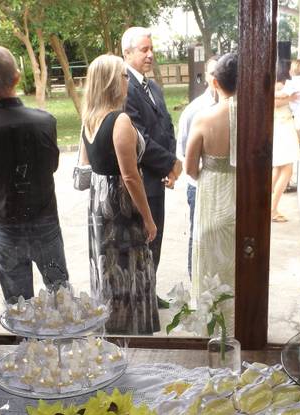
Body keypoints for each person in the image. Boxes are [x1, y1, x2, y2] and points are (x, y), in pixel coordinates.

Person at [0, 46, 69, 303]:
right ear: (17, 77)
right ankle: (66, 342)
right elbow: (51, 166)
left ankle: (29, 343)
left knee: (19, 306)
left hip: (6, 226)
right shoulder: (45, 121)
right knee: (62, 300)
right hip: (45, 221)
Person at [80, 54, 159, 335]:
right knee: (128, 274)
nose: (128, 81)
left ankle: (110, 332)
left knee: (107, 273)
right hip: (121, 209)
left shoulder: (89, 118)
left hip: (98, 208)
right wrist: (148, 219)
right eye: (124, 76)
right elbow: (129, 176)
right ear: (113, 82)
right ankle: (132, 336)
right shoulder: (119, 120)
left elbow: (84, 167)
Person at [121, 26, 181, 309]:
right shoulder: (125, 87)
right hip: (141, 180)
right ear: (127, 52)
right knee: (143, 239)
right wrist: (169, 162)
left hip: (158, 177)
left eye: (151, 49)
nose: (150, 54)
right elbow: (138, 138)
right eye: (144, 49)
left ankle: (148, 291)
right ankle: (138, 300)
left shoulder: (152, 85)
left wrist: (171, 162)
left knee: (155, 240)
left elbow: (166, 125)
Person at [184, 53, 237, 328]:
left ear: (215, 82)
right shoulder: (254, 117)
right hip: (242, 194)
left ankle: (213, 327)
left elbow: (190, 168)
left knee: (211, 264)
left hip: (213, 194)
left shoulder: (204, 118)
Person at [177, 55, 218, 278]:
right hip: (200, 185)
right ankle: (197, 283)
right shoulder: (195, 111)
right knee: (198, 234)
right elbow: (184, 152)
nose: (216, 79)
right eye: (212, 74)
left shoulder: (239, 108)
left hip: (228, 187)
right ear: (207, 78)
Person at [271, 67, 300, 222]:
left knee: (277, 170)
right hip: (283, 128)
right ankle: (272, 209)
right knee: (287, 171)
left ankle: (267, 206)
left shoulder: (271, 85)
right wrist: (290, 98)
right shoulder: (280, 86)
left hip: (280, 127)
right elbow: (274, 102)